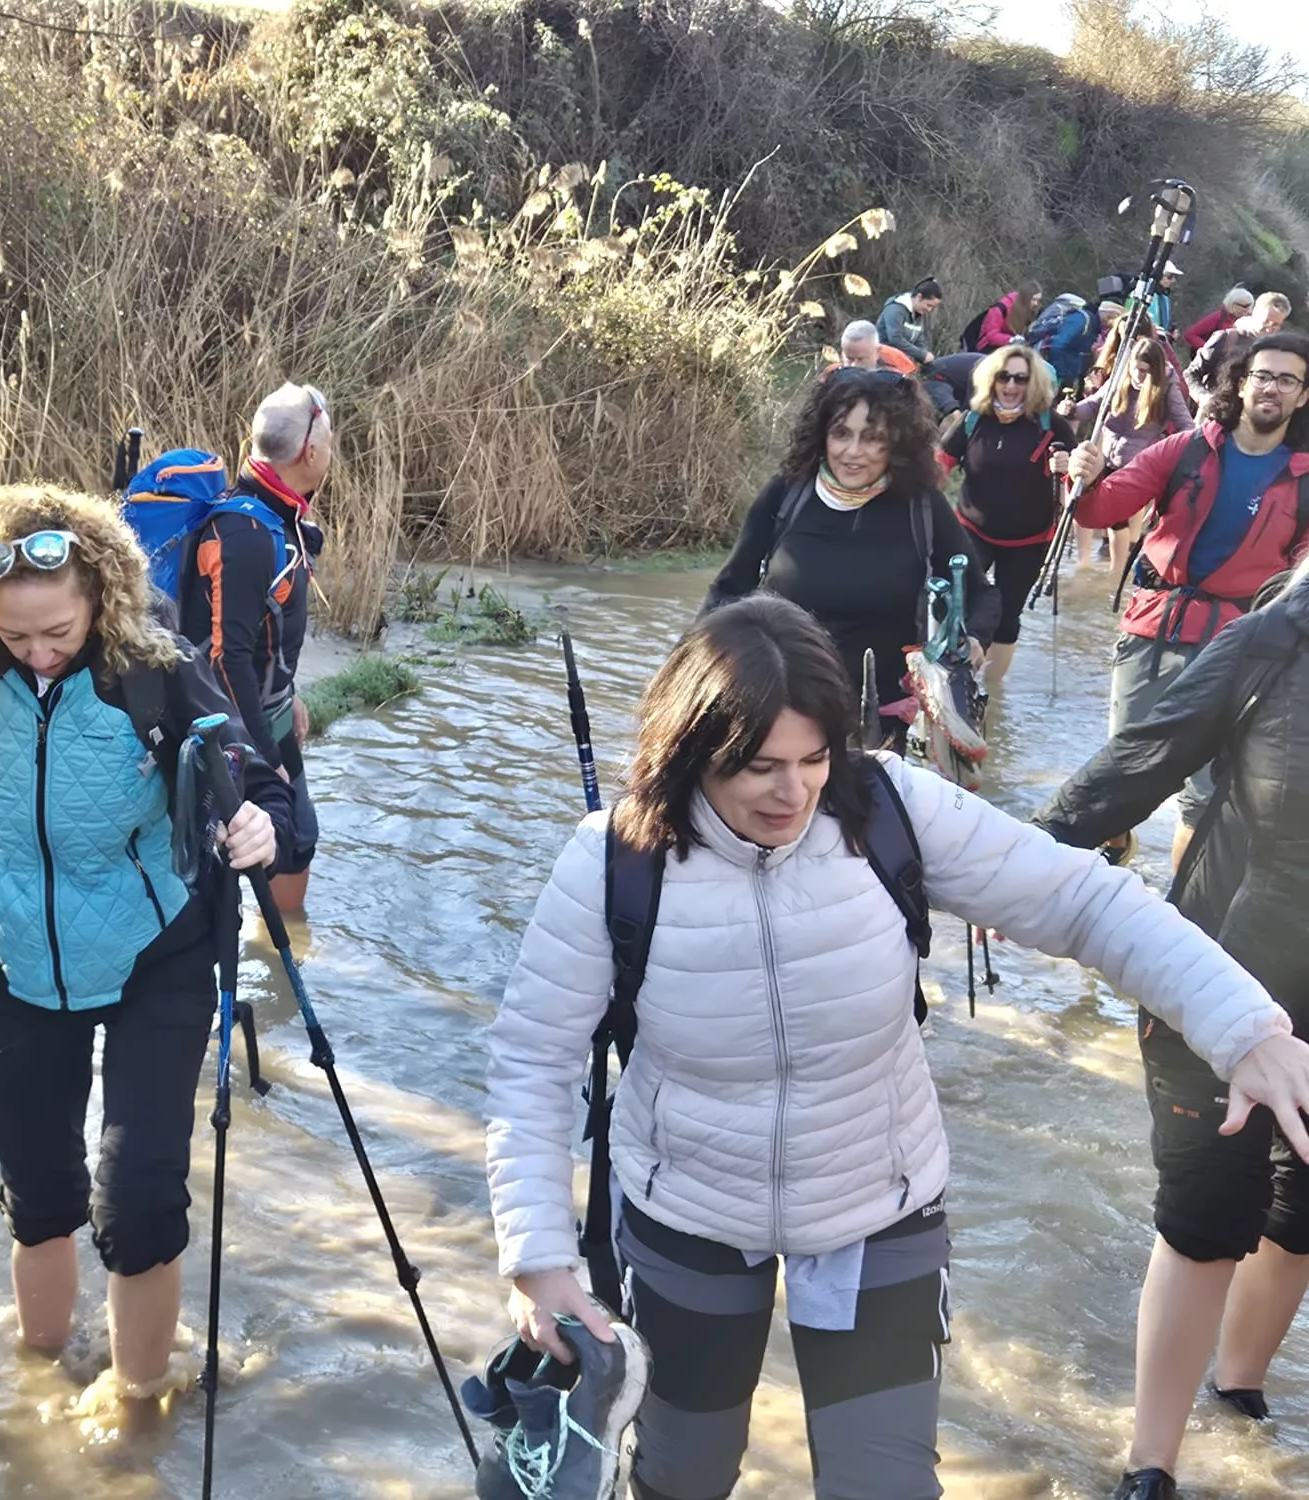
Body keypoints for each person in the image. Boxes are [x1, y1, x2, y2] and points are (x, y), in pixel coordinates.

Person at [483, 593, 1309, 1500]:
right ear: (689, 751)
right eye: (758, 766)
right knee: (684, 1478)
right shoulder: (613, 860)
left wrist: (1245, 1025)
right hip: (688, 1212)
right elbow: (534, 1063)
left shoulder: (889, 807)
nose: (792, 793)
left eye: (812, 758)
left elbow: (1089, 901)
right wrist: (536, 1258)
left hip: (879, 1204)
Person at [0, 484, 293, 1401]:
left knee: (138, 1198)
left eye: (56, 630)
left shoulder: (155, 668)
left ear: (99, 598)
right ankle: (40, 1383)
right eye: (16, 636)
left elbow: (260, 779)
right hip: (18, 960)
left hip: (159, 955)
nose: (39, 651)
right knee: (39, 1193)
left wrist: (263, 825)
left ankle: (138, 1410)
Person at [1035, 560, 1309, 1500]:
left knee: (1302, 1207)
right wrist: (1032, 863)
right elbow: (1142, 754)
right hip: (1223, 972)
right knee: (1205, 1216)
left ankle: (1238, 1394)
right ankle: (1149, 1463)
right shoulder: (1275, 637)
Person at [1067, 331, 1309, 868]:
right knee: (1120, 770)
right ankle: (1106, 868)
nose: (1272, 388)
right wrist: (1083, 479)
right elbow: (1099, 511)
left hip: (1238, 648)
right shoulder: (1188, 448)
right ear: (1242, 384)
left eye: (1287, 379)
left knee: (1201, 797)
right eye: (1262, 375)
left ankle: (1180, 918)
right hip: (1153, 628)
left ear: (1303, 395)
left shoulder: (1306, 480)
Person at [704, 369, 998, 744]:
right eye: (841, 433)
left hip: (879, 723)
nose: (853, 452)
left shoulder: (922, 508)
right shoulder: (786, 495)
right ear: (822, 434)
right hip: (778, 711)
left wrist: (973, 638)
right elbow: (727, 592)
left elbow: (981, 595)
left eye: (872, 438)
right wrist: (692, 671)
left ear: (897, 443)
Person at [180, 382, 328, 915]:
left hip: (270, 714)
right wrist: (266, 757)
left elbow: (268, 634)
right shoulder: (242, 532)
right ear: (310, 451)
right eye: (329, 439)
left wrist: (291, 696)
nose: (331, 451)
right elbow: (226, 658)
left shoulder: (276, 516)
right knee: (226, 865)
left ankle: (283, 963)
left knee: (296, 840)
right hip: (223, 730)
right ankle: (265, 960)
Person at [938, 345, 1076, 686]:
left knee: (1007, 614)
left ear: (1033, 384)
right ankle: (952, 674)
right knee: (955, 600)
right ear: (991, 379)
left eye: (1021, 379)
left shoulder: (1051, 425)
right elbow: (938, 468)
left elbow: (1081, 486)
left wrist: (1068, 468)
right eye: (1004, 377)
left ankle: (990, 690)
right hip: (972, 529)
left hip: (1029, 539)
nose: (1011, 386)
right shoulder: (973, 419)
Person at [1066, 337, 1194, 574]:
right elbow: (1093, 405)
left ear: (1155, 370)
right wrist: (1072, 410)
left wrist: (1177, 453)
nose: (1139, 375)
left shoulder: (1167, 389)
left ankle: (1115, 573)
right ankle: (1082, 566)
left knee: (1118, 522)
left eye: (1145, 371)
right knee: (1079, 505)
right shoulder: (1119, 381)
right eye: (1135, 369)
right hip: (1105, 458)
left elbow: (1187, 426)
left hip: (1136, 465)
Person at [1188, 291, 1291, 398]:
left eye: (1275, 325)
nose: (1269, 328)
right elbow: (1191, 374)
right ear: (1254, 313)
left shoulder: (1275, 351)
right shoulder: (1227, 338)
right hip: (1215, 409)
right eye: (1266, 321)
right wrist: (1203, 398)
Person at [877, 277, 943, 375]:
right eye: (928, 305)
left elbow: (919, 339)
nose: (929, 310)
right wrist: (921, 354)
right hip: (882, 363)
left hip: (901, 365)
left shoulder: (919, 313)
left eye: (932, 307)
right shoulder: (895, 310)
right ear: (919, 297)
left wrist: (926, 355)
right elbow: (895, 338)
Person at [1183, 285, 1256, 355]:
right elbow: (1190, 334)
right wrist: (1208, 351)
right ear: (1233, 304)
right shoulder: (1218, 317)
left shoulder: (1248, 321)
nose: (1248, 310)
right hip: (1214, 363)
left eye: (1250, 305)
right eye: (1245, 306)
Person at [974, 282, 1042, 352]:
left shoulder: (1028, 310)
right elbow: (991, 335)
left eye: (1038, 300)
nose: (1036, 303)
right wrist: (1011, 340)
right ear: (1026, 298)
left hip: (1007, 348)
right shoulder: (1000, 309)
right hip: (987, 348)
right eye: (1034, 299)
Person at [833, 319, 917, 375]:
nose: (854, 365)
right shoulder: (833, 377)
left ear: (877, 352)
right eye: (849, 359)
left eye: (861, 359)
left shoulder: (895, 381)